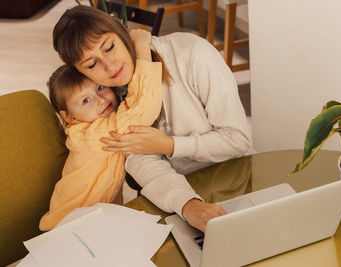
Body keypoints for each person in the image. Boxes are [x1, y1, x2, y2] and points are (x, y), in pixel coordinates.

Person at [52, 5, 252, 232]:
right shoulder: (106, 101)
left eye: (109, 47)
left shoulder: (192, 54)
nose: (110, 66)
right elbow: (141, 162)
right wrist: (188, 205)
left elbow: (238, 139)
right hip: (175, 204)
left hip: (238, 183)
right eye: (91, 64)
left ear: (120, 30)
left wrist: (170, 145)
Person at [39, 30, 172, 230]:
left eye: (100, 88)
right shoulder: (91, 136)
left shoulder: (97, 123)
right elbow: (142, 109)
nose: (100, 100)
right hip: (67, 228)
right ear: (68, 117)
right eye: (85, 100)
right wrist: (141, 49)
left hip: (95, 222)